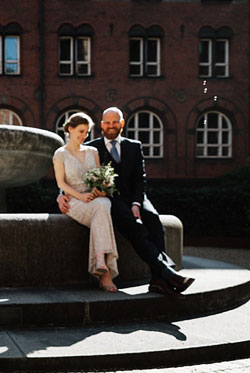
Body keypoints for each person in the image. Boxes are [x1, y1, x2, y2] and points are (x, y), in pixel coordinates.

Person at [58, 107, 194, 297]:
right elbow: (74, 173)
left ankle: (158, 278)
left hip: (136, 197)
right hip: (111, 199)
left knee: (154, 221)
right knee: (134, 227)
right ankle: (166, 274)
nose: (111, 126)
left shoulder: (134, 145)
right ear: (102, 125)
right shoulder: (92, 147)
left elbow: (140, 179)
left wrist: (137, 203)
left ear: (122, 124)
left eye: (115, 122)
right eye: (107, 122)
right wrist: (60, 194)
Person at [53, 113, 120, 292]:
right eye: (81, 131)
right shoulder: (60, 154)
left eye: (87, 132)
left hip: (95, 199)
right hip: (74, 201)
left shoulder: (93, 152)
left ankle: (100, 263)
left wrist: (100, 189)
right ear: (70, 129)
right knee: (103, 207)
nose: (84, 136)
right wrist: (80, 196)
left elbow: (99, 177)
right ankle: (105, 273)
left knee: (103, 203)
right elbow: (61, 183)